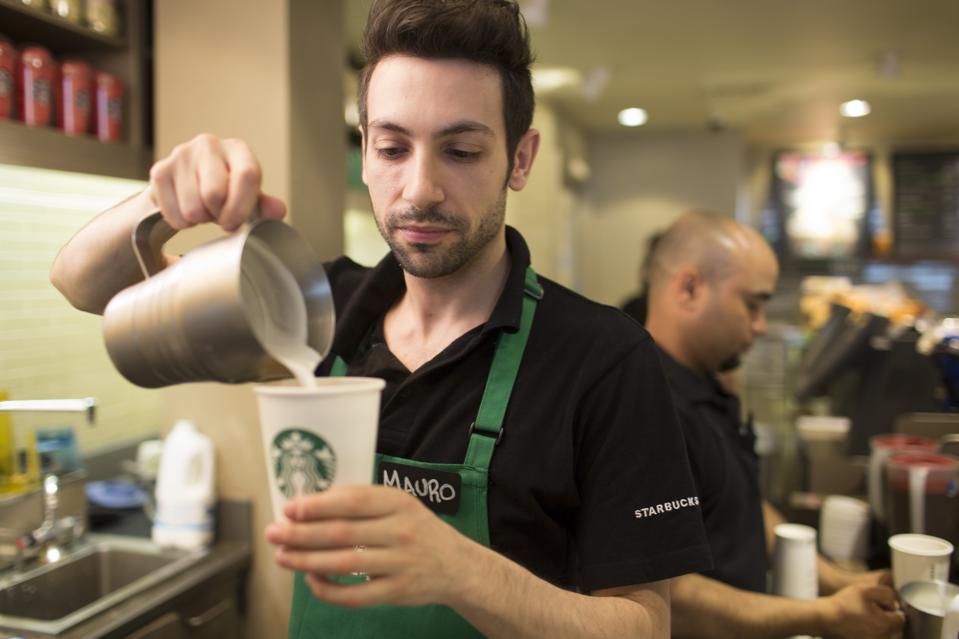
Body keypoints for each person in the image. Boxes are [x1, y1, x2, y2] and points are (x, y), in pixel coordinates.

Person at [50, 1, 713, 637]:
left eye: (460, 151)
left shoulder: (604, 357)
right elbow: (81, 284)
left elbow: (642, 625)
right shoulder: (316, 307)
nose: (419, 189)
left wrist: (461, 570)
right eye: (394, 148)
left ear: (519, 158)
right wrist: (163, 203)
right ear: (364, 149)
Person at [643, 211, 905, 639]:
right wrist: (823, 615)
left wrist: (838, 581)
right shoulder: (645, 408)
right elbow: (669, 594)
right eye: (752, 304)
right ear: (689, 288)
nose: (761, 326)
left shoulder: (706, 384)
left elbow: (741, 502)